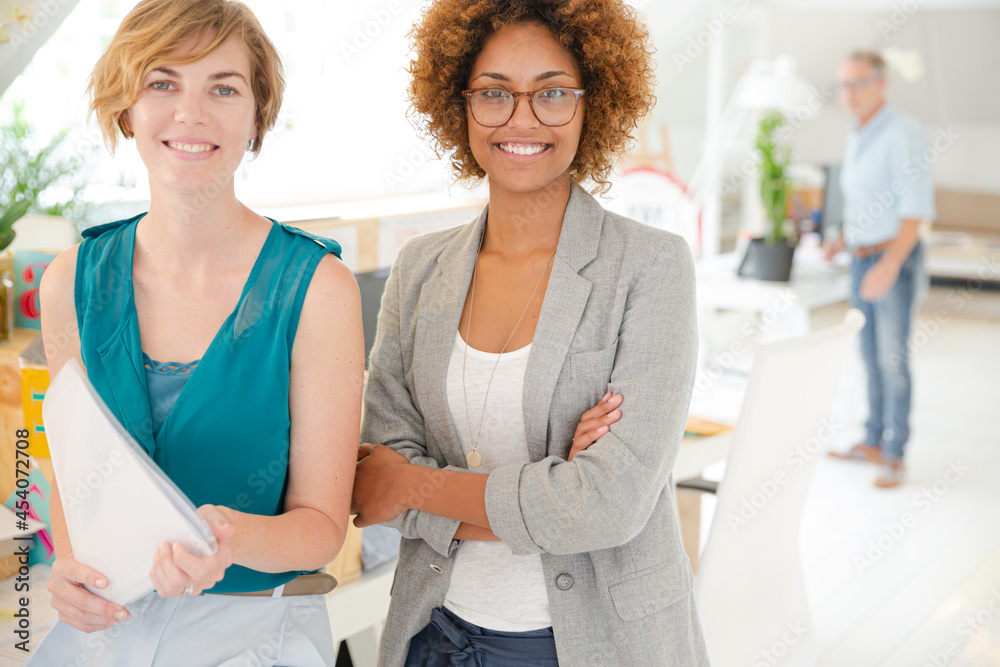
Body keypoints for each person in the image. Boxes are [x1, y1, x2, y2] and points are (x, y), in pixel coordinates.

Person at [351, 1, 709, 664]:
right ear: (459, 104)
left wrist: (416, 484)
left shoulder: (651, 266)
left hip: (587, 641)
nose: (522, 119)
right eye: (494, 93)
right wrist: (554, 488)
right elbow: (376, 483)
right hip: (435, 633)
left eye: (551, 93)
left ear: (591, 102)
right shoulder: (420, 268)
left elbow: (609, 506)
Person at [29, 0, 363, 664]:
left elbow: (322, 528)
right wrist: (70, 571)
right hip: (106, 638)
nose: (191, 112)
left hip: (255, 634)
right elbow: (71, 477)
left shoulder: (317, 290)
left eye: (223, 87)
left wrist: (235, 538)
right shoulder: (70, 283)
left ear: (257, 118)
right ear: (127, 107)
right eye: (163, 82)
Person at [825, 50, 935, 489]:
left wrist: (889, 265)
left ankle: (895, 453)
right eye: (842, 85)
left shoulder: (904, 134)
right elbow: (868, 202)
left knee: (892, 359)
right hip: (862, 256)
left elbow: (915, 210)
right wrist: (845, 239)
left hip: (895, 259)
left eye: (857, 84)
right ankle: (872, 438)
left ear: (881, 84)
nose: (848, 94)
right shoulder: (859, 132)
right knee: (868, 355)